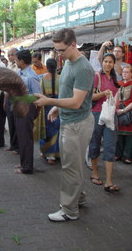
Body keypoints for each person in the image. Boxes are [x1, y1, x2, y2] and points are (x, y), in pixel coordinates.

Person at [34, 28, 94, 222]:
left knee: (70, 167)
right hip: (69, 121)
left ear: (73, 45)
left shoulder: (83, 68)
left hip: (77, 124)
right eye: (56, 50)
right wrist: (58, 108)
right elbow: (67, 92)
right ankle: (79, 198)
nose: (58, 54)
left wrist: (50, 102)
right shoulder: (68, 62)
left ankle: (69, 210)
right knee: (74, 165)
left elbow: (76, 102)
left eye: (61, 50)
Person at [89, 53, 120, 192]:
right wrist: (103, 93)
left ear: (114, 64)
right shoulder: (97, 76)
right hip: (97, 113)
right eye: (106, 61)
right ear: (102, 63)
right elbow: (90, 97)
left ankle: (109, 181)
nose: (108, 64)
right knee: (95, 143)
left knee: (110, 146)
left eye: (110, 62)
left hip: (111, 115)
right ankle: (94, 173)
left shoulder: (115, 78)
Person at [14, 49, 42, 174]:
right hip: (19, 106)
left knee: (26, 138)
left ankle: (27, 167)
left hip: (27, 107)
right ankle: (23, 163)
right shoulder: (20, 73)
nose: (15, 61)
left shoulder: (31, 76)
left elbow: (38, 96)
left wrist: (36, 111)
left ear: (22, 61)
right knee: (21, 136)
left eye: (16, 60)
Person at [35, 58, 60, 164]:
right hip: (58, 106)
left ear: (47, 66)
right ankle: (55, 154)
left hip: (46, 107)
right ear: (56, 66)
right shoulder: (61, 78)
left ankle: (47, 154)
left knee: (46, 131)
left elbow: (39, 95)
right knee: (56, 131)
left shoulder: (43, 78)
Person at [115, 64, 132, 164]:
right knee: (119, 135)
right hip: (119, 112)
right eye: (123, 72)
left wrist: (124, 110)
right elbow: (116, 97)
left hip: (129, 112)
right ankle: (118, 154)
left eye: (127, 72)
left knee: (130, 136)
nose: (124, 74)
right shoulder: (119, 84)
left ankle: (128, 155)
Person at [4, 48, 19, 154]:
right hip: (8, 97)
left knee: (16, 122)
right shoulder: (8, 66)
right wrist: (5, 100)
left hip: (16, 98)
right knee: (10, 122)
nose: (10, 57)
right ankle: (12, 145)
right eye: (8, 55)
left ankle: (17, 147)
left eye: (12, 55)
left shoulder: (19, 68)